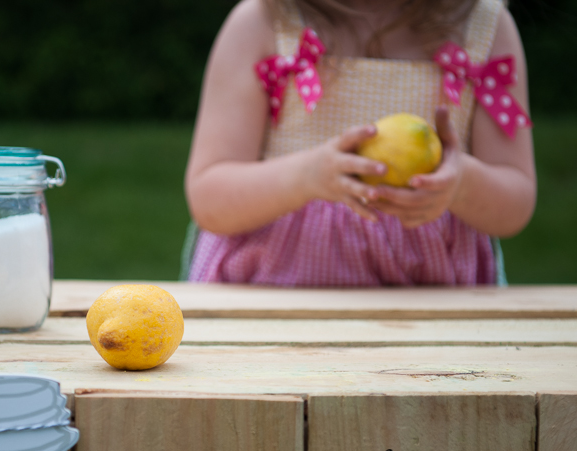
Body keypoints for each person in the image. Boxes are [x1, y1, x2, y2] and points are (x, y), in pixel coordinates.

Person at [183, 0, 536, 286]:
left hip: (430, 311)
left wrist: (461, 184)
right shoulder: (264, 21)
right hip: (273, 300)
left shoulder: (483, 28)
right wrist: (307, 177)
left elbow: (515, 202)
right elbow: (208, 196)